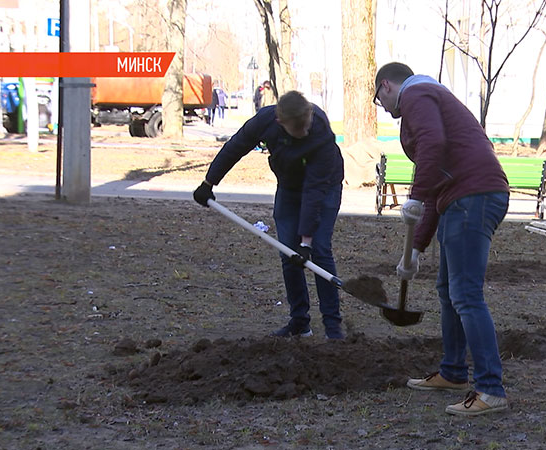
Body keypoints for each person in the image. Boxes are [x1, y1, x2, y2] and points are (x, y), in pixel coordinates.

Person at [373, 62, 511, 416]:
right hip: (462, 197)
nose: (385, 110)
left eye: (379, 99)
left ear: (386, 86)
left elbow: (433, 147)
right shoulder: (429, 99)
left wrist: (415, 197)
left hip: (473, 197)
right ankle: (452, 372)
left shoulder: (417, 94)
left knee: (465, 294)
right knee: (448, 290)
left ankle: (491, 390)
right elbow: (435, 184)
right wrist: (416, 249)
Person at [193, 90, 346, 340]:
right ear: (280, 123)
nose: (305, 133)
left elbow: (313, 191)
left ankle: (333, 327)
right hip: (288, 187)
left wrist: (306, 240)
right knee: (288, 252)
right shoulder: (265, 121)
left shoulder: (320, 134)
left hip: (324, 187)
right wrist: (209, 182)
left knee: (318, 251)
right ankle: (299, 322)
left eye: (307, 126)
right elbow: (236, 147)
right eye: (299, 130)